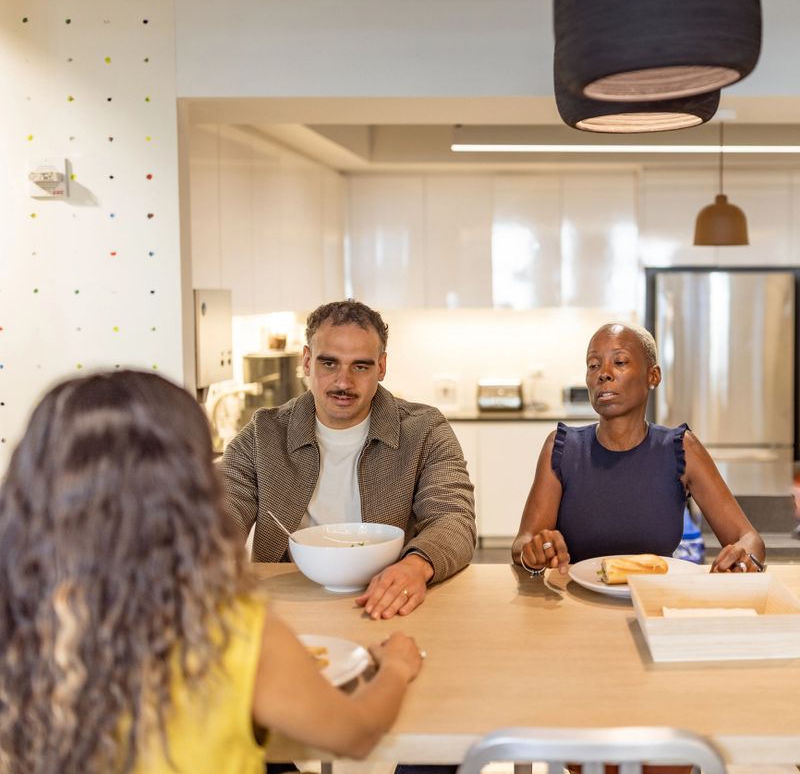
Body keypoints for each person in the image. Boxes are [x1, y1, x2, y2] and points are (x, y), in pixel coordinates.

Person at [0, 370, 423, 774]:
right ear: (189, 486)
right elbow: (357, 734)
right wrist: (397, 667)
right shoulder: (232, 633)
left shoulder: (20, 627)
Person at [221, 300, 476, 620]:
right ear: (307, 361)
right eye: (329, 363)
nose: (343, 382)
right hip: (286, 608)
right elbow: (220, 512)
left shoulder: (425, 430)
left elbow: (454, 519)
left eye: (360, 366)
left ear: (381, 367)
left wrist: (415, 566)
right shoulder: (263, 435)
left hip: (389, 603)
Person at [513, 322, 766, 576]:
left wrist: (743, 559)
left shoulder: (681, 449)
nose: (604, 373)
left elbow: (748, 538)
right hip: (574, 603)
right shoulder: (562, 448)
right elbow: (523, 543)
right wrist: (534, 551)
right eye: (593, 365)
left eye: (620, 362)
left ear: (652, 376)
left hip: (657, 603)